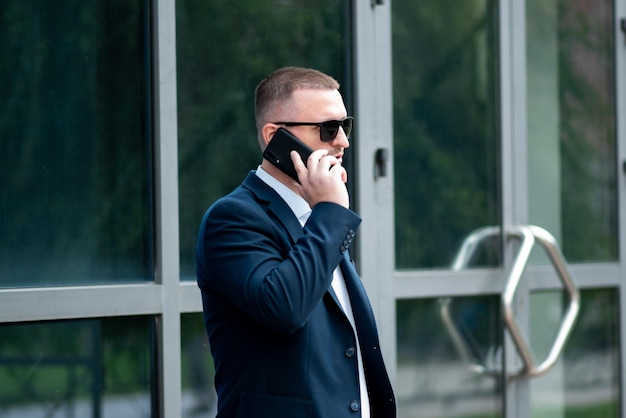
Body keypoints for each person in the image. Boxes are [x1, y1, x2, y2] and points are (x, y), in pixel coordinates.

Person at [196, 66, 396, 418]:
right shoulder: (232, 218)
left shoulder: (318, 218)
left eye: (344, 126)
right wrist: (330, 212)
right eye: (327, 129)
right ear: (275, 136)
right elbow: (284, 307)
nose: (343, 142)